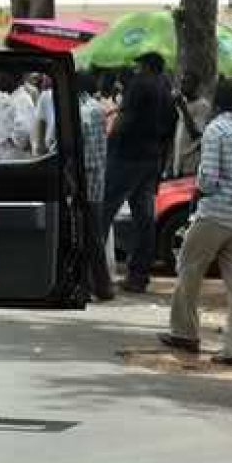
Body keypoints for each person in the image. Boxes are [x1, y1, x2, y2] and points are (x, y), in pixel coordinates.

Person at [159, 78, 232, 367]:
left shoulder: (215, 130)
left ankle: (184, 332)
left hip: (214, 214)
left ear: (216, 102)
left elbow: (208, 178)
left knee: (189, 268)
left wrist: (199, 192)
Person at [100, 52, 178, 293]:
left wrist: (110, 144)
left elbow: (126, 119)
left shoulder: (140, 85)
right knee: (144, 218)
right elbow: (172, 125)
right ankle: (138, 275)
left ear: (146, 66)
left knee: (103, 212)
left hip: (127, 156)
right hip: (151, 160)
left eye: (138, 65)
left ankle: (93, 272)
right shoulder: (166, 90)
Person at [76, 72, 115, 301]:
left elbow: (90, 157)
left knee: (91, 236)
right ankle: (97, 285)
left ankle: (99, 286)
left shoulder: (88, 112)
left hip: (89, 183)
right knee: (91, 236)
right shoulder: (90, 109)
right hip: (92, 181)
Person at [170, 72, 210, 177]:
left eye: (187, 83)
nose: (183, 87)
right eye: (182, 83)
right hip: (178, 158)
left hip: (191, 161)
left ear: (196, 86)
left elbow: (195, 134)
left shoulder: (202, 105)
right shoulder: (181, 102)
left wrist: (183, 108)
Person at [0, 73, 35, 160]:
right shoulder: (8, 98)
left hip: (15, 158)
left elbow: (23, 134)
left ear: (12, 77)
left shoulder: (22, 99)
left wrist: (7, 141)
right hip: (6, 156)